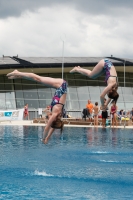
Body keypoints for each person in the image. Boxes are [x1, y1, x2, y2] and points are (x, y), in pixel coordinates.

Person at [7, 70, 67, 144]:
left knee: (37, 80)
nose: (48, 121)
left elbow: (53, 127)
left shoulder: (58, 116)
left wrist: (47, 138)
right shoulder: (55, 113)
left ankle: (19, 75)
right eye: (51, 122)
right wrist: (43, 139)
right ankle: (18, 73)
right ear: (54, 120)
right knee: (38, 78)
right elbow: (47, 128)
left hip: (60, 86)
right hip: (61, 85)